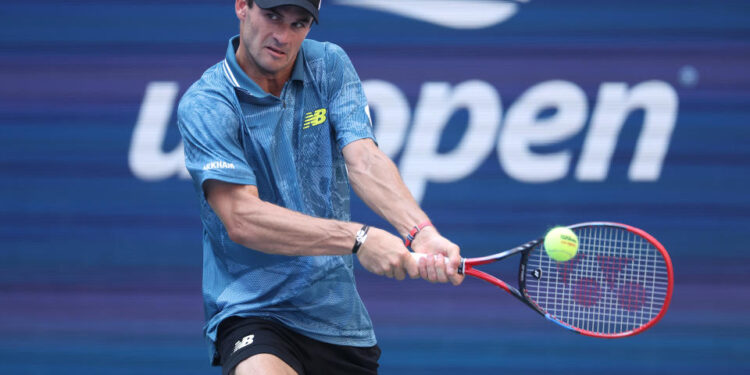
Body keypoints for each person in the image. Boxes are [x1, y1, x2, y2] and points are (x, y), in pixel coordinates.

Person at [177, 0, 463, 374]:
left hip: (339, 322)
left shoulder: (328, 65)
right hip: (253, 310)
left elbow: (364, 159)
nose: (282, 36)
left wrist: (420, 232)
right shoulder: (207, 104)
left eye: (298, 24)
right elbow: (242, 218)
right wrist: (359, 238)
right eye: (273, 16)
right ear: (242, 6)